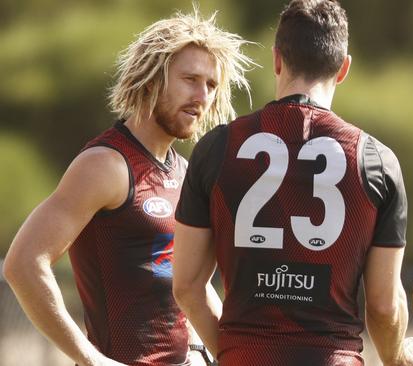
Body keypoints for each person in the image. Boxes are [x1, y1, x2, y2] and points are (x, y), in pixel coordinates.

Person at [172, 1, 413, 365]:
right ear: (343, 69)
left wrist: (234, 354)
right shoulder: (376, 160)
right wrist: (395, 358)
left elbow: (186, 286)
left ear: (277, 59)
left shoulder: (216, 147)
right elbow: (385, 305)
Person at [3, 9, 252, 366]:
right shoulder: (106, 164)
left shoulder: (185, 172)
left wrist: (230, 355)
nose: (202, 96)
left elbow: (192, 287)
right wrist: (91, 359)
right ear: (151, 81)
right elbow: (23, 264)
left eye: (211, 85)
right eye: (190, 79)